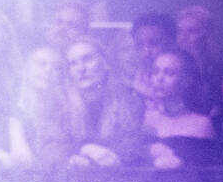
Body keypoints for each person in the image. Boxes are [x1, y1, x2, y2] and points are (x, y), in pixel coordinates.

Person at [41, 38, 145, 168]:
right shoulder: (56, 103)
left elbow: (135, 146)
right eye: (73, 63)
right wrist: (84, 149)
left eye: (87, 59)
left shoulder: (130, 100)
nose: (81, 68)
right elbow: (47, 149)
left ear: (105, 63)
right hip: (73, 179)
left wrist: (101, 158)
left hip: (117, 177)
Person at [143, 48, 222, 168]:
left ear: (186, 80)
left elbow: (206, 178)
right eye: (155, 72)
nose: (159, 78)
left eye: (169, 73)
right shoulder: (145, 119)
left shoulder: (201, 124)